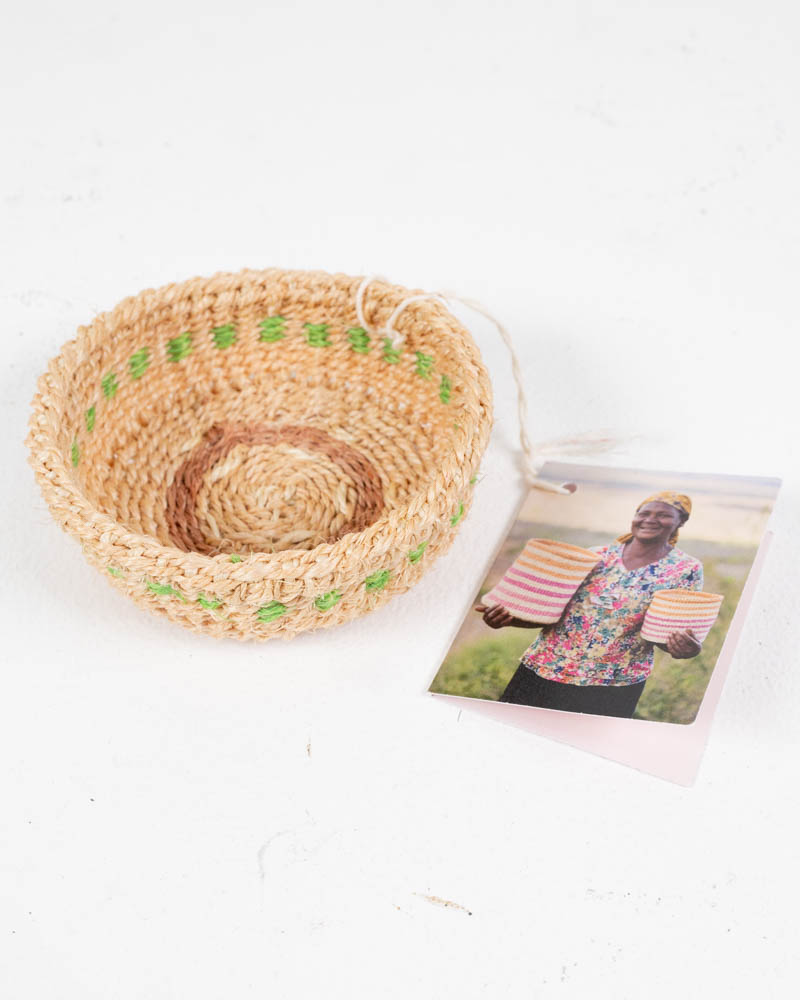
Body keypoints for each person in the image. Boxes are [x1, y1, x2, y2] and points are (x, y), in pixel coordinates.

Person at [475, 492, 704, 718]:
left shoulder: (685, 570)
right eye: (643, 513)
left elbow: (667, 635)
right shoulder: (595, 556)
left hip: (613, 686)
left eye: (663, 515)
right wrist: (508, 619)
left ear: (680, 521)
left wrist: (685, 648)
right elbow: (550, 614)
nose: (650, 519)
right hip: (546, 668)